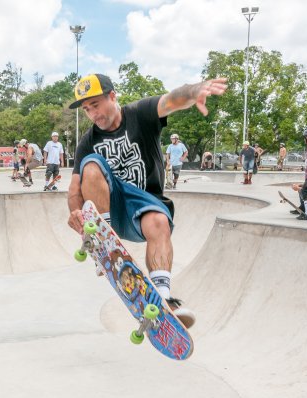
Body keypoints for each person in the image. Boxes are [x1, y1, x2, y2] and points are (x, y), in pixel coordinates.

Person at [66, 73, 227, 328]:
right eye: (87, 110)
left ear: (112, 96)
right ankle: (103, 240)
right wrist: (76, 211)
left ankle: (163, 299)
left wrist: (195, 90)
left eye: (95, 105)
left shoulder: (140, 113)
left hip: (143, 205)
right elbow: (75, 187)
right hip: (111, 208)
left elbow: (172, 100)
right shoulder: (89, 141)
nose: (93, 114)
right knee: (91, 164)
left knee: (160, 222)